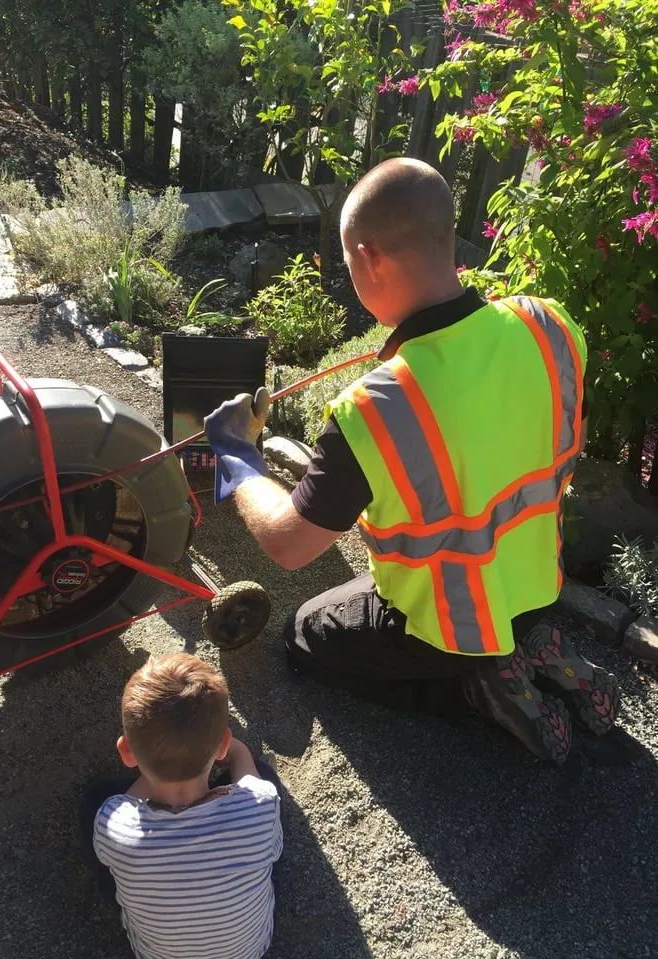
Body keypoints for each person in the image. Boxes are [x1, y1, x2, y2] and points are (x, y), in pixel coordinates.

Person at [204, 156, 620, 766]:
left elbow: (289, 545)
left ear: (369, 257)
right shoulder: (547, 325)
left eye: (348, 263)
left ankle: (476, 687)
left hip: (445, 627)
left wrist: (238, 457)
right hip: (532, 588)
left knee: (302, 637)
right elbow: (559, 438)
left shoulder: (377, 408)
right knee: (466, 609)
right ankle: (526, 642)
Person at [87, 652, 283, 959]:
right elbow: (250, 777)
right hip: (250, 955)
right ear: (222, 744)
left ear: (126, 752)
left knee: (95, 798)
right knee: (263, 775)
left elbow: (123, 804)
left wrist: (158, 766)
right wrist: (237, 752)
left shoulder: (113, 823)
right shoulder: (262, 805)